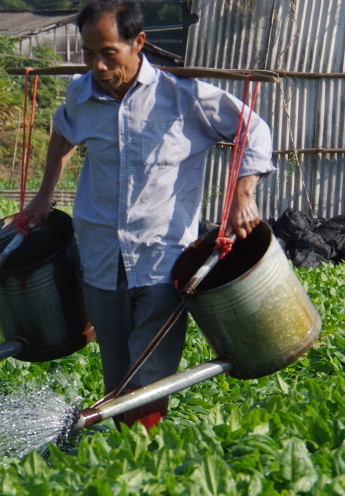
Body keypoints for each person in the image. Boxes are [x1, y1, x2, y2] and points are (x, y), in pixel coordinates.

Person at [19, 0, 275, 430]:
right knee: (116, 366)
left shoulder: (184, 97)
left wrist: (243, 193)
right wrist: (44, 196)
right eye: (88, 53)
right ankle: (124, 444)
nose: (97, 65)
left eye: (108, 52)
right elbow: (62, 132)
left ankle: (142, 450)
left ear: (138, 42)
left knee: (149, 369)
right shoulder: (81, 94)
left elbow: (253, 129)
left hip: (161, 255)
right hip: (100, 254)